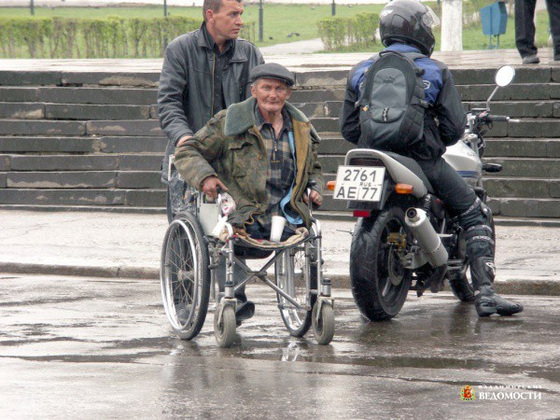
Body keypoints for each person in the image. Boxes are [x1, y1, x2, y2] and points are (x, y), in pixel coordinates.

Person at [339, 0, 523, 318]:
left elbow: (348, 127)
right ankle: (486, 293)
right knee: (474, 211)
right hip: (423, 162)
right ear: (418, 30)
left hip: (373, 157)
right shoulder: (434, 70)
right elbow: (453, 129)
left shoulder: (360, 70)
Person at [174, 62, 324, 323]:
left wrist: (314, 188)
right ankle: (235, 299)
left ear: (288, 93)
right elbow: (187, 151)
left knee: (313, 233)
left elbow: (314, 168)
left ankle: (315, 302)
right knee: (224, 235)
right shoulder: (229, 122)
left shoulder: (301, 129)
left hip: (286, 215)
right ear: (254, 91)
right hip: (241, 214)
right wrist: (206, 176)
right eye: (266, 88)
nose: (273, 95)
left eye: (279, 89)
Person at [158, 0, 264, 223]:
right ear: (210, 15)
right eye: (232, 14)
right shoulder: (180, 49)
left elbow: (259, 106)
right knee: (187, 230)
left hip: (236, 159)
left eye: (241, 14)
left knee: (239, 232)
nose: (240, 21)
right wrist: (184, 138)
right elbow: (169, 103)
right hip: (190, 152)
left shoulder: (250, 53)